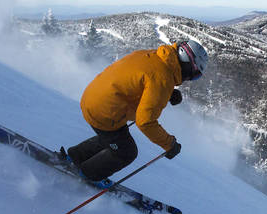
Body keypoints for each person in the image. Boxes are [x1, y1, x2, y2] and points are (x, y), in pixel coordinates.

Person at [60, 40, 209, 185]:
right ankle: (87, 174)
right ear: (188, 65)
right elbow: (145, 122)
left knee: (115, 138)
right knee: (126, 151)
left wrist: (168, 92)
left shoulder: (154, 56)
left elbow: (141, 80)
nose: (190, 79)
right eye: (195, 74)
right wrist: (169, 144)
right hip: (104, 112)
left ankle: (75, 157)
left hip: (92, 98)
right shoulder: (162, 79)